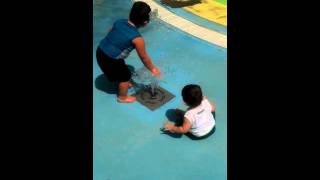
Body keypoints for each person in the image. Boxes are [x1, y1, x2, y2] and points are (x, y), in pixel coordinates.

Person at [96, 1, 161, 103]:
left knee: (121, 66)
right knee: (125, 76)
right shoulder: (137, 39)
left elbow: (109, 33)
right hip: (110, 59)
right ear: (145, 23)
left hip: (100, 51)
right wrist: (153, 69)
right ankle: (122, 97)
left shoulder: (119, 22)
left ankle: (119, 80)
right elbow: (144, 57)